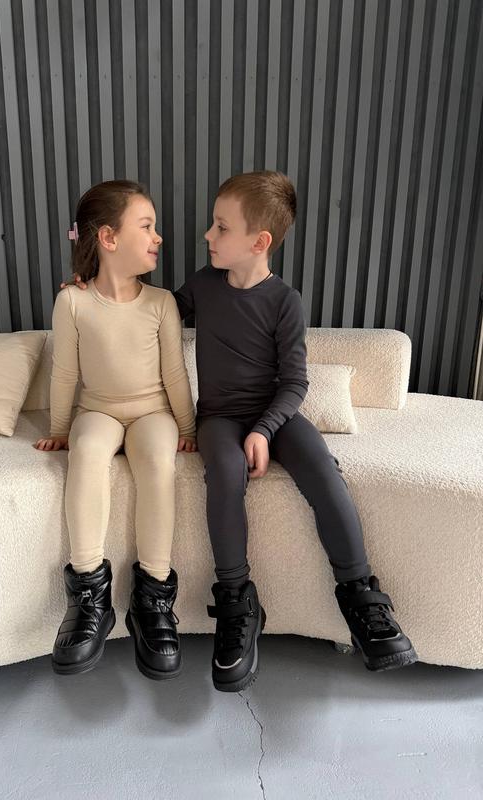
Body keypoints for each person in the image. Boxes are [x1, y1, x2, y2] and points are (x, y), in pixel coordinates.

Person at [63, 170, 418, 692]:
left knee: (323, 468)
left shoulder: (285, 301)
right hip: (219, 419)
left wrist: (266, 430)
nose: (207, 235)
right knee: (225, 471)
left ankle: (362, 597)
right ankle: (236, 601)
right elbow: (147, 312)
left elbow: (295, 383)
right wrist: (92, 291)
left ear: (259, 241)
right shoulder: (202, 287)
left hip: (276, 415)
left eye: (221, 227)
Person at [36, 179, 197, 681]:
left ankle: (153, 597)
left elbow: (175, 374)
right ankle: (89, 595)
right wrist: (60, 428)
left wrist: (187, 427)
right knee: (85, 452)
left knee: (157, 463)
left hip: (152, 412)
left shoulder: (162, 302)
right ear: (108, 238)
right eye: (146, 226)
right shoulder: (73, 302)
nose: (158, 237)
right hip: (98, 410)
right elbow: (64, 373)